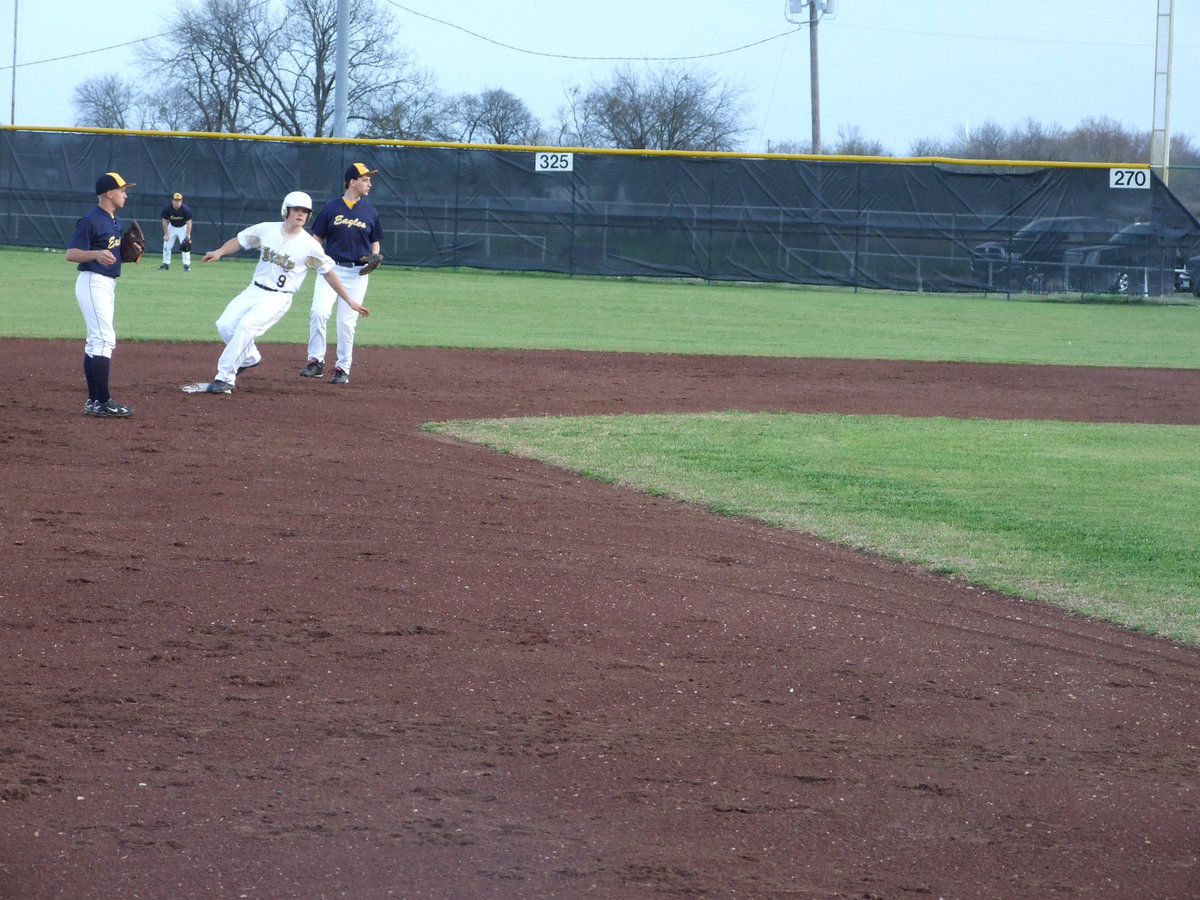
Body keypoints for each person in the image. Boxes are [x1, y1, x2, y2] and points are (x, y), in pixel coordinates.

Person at [191, 191, 370, 394]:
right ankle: (249, 358)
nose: (301, 214)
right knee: (224, 325)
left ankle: (224, 379)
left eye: (305, 211)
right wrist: (219, 252)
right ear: (286, 210)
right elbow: (241, 240)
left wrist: (348, 300)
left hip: (278, 297)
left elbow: (328, 273)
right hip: (254, 290)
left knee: (245, 328)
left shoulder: (309, 245)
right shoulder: (267, 230)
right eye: (296, 210)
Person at [300, 162, 383, 385]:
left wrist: (375, 256)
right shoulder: (331, 208)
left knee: (347, 323)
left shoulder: (370, 212)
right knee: (318, 313)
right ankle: (315, 361)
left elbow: (375, 243)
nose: (369, 184)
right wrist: (315, 258)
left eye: (369, 179)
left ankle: (342, 368)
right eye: (365, 179)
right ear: (352, 182)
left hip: (358, 273)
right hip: (330, 269)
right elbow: (316, 239)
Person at [66, 172, 136, 418]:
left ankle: (94, 401)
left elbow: (112, 253)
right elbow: (71, 253)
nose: (125, 194)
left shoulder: (115, 219)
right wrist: (95, 254)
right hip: (92, 282)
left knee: (96, 341)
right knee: (105, 338)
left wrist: (127, 255)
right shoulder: (90, 220)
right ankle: (104, 401)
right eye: (122, 190)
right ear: (109, 193)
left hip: (107, 284)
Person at [159, 191, 194, 271]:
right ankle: (166, 263)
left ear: (181, 201)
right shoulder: (167, 209)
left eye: (179, 200)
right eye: (176, 200)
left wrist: (187, 236)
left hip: (183, 227)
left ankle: (186, 265)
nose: (178, 202)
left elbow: (189, 223)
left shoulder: (185, 210)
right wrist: (166, 234)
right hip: (172, 227)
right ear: (172, 201)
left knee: (185, 246)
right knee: (166, 246)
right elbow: (164, 221)